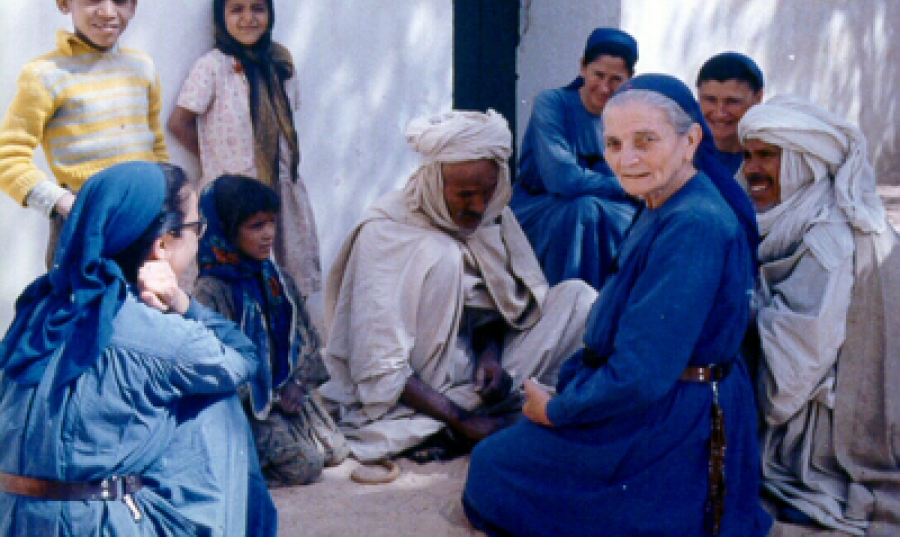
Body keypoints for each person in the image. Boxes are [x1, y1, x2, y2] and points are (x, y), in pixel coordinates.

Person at [463, 75, 771, 537]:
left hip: (675, 416)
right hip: (663, 395)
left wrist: (559, 411)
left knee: (495, 468)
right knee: (505, 458)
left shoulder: (693, 226)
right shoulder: (665, 200)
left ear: (690, 141)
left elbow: (643, 372)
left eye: (646, 141)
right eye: (613, 143)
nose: (626, 159)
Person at [0, 161, 276, 536]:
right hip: (95, 524)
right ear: (162, 245)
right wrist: (182, 303)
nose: (199, 241)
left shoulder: (37, 313)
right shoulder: (163, 336)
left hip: (13, 518)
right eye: (196, 229)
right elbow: (246, 358)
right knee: (217, 400)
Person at [318, 110, 597, 464]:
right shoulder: (386, 232)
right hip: (419, 387)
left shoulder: (489, 213)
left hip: (473, 375)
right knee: (442, 253)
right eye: (465, 195)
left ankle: (477, 417)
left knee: (578, 298)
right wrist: (463, 420)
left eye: (488, 192)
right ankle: (453, 424)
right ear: (435, 183)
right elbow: (380, 365)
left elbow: (498, 302)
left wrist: (490, 356)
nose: (479, 206)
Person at [740, 97, 900, 535]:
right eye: (748, 155)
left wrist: (744, 310)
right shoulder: (798, 213)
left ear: (803, 161)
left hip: (826, 416)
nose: (752, 169)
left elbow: (802, 355)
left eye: (767, 156)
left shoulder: (827, 234)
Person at [0, 0, 168, 266]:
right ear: (65, 1)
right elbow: (8, 159)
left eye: (119, 0)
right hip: (81, 229)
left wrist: (168, 201)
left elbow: (156, 146)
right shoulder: (45, 74)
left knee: (148, 311)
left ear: (133, 5)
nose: (108, 12)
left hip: (145, 223)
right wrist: (65, 204)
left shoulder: (142, 67)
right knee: (85, 315)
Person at [168, 0, 321, 299]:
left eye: (258, 9)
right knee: (229, 284)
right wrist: (215, 161)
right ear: (221, 17)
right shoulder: (213, 66)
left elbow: (286, 128)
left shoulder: (279, 65)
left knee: (280, 282)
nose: (248, 18)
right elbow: (179, 123)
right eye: (236, 10)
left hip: (277, 189)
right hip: (231, 197)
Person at [193, 174, 348, 487]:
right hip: (244, 406)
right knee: (306, 466)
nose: (268, 235)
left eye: (271, 223)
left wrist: (299, 383)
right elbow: (214, 367)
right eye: (255, 226)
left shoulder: (276, 278)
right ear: (226, 229)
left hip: (283, 391)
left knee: (336, 450)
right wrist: (268, 396)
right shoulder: (211, 292)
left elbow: (307, 337)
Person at [510, 27, 639, 290]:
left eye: (616, 79)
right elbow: (562, 179)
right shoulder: (552, 104)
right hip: (542, 207)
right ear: (582, 67)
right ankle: (568, 308)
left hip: (607, 210)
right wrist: (623, 186)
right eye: (598, 75)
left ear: (629, 80)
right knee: (584, 210)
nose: (604, 88)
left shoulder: (632, 119)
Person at [696, 52, 764, 174]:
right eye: (710, 100)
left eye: (732, 101)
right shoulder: (682, 156)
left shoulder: (772, 158)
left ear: (758, 98)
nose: (720, 113)